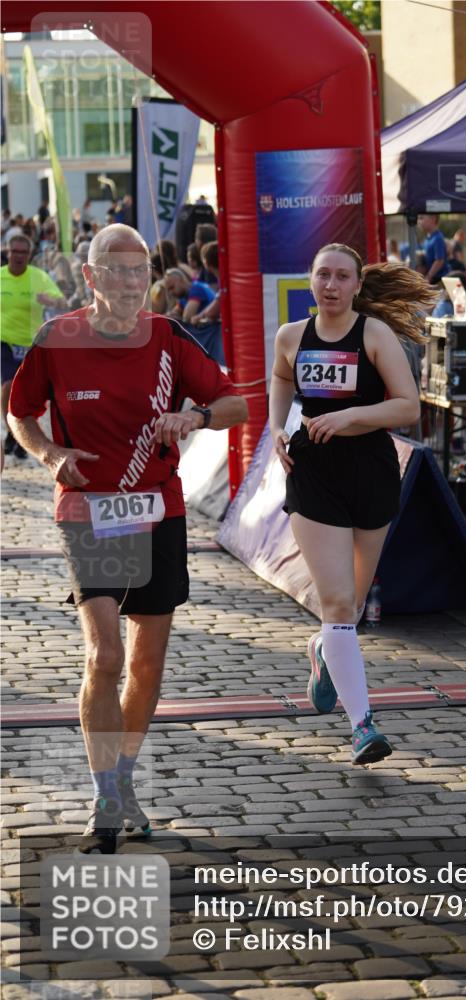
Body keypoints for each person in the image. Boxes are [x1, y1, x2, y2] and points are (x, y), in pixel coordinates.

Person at [7, 223, 248, 853]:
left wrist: (192, 415)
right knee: (105, 654)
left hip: (157, 510)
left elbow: (235, 404)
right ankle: (105, 796)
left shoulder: (168, 337)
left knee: (144, 663)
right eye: (113, 271)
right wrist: (50, 453)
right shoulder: (58, 341)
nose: (126, 283)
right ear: (89, 277)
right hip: (89, 511)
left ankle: (125, 780)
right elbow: (19, 410)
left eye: (137, 271)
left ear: (149, 277)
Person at [269, 244, 437, 764]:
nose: (331, 285)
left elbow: (408, 407)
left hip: (370, 472)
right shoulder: (292, 336)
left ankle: (323, 650)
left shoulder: (374, 334)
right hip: (312, 473)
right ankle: (362, 725)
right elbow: (279, 379)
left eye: (342, 277)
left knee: (352, 607)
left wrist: (348, 418)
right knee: (338, 604)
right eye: (323, 275)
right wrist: (278, 427)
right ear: (311, 279)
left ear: (358, 286)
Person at [1, 233, 66, 459]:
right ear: (8, 253)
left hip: (30, 344)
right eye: (15, 252)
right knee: (8, 386)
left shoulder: (38, 277)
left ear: (29, 255)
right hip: (5, 343)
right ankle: (13, 431)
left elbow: (62, 301)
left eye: (23, 252)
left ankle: (17, 434)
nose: (19, 256)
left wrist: (51, 301)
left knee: (28, 393)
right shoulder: (1, 277)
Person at [417, 214, 448, 285]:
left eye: (421, 218)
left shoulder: (438, 238)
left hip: (439, 279)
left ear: (433, 218)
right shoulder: (428, 238)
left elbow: (439, 260)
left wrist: (428, 276)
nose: (418, 222)